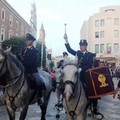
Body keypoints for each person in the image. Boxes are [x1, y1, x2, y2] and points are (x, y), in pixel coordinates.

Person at [18, 33, 46, 105]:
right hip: (22, 70)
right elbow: (19, 58)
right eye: (26, 40)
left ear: (32, 41)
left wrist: (23, 61)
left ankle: (40, 97)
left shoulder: (35, 51)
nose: (26, 41)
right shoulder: (23, 49)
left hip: (32, 70)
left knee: (39, 80)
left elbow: (32, 62)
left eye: (28, 40)